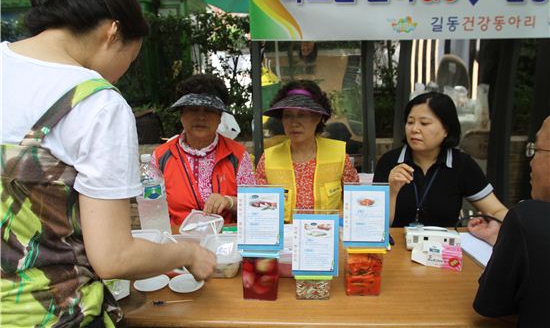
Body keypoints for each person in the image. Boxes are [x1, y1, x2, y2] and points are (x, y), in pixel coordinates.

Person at [1, 0, 216, 327]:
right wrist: (188, 253)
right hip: (51, 314)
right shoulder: (95, 102)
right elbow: (114, 256)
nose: (117, 77)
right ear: (112, 31)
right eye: (128, 62)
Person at [373, 92, 508, 227]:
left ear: (446, 130)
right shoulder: (389, 162)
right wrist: (392, 191)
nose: (414, 129)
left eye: (424, 123)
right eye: (410, 122)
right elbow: (375, 225)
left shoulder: (461, 164)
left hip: (445, 246)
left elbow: (497, 210)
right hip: (398, 246)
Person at [471, 116, 550, 327]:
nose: (531, 161)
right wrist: (505, 238)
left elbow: (489, 305)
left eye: (535, 150)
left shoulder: (529, 217)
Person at [153, 74, 255, 226]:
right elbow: (152, 210)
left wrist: (229, 201)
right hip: (177, 243)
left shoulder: (238, 155)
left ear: (220, 117)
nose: (201, 117)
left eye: (209, 110)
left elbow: (255, 205)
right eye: (193, 109)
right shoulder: (161, 156)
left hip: (225, 241)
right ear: (181, 115)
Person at [255, 80, 359, 222]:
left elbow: (356, 205)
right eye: (288, 115)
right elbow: (258, 208)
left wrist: (343, 215)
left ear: (317, 118)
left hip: (327, 236)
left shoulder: (339, 155)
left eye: (302, 114)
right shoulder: (268, 158)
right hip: (284, 240)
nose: (294, 122)